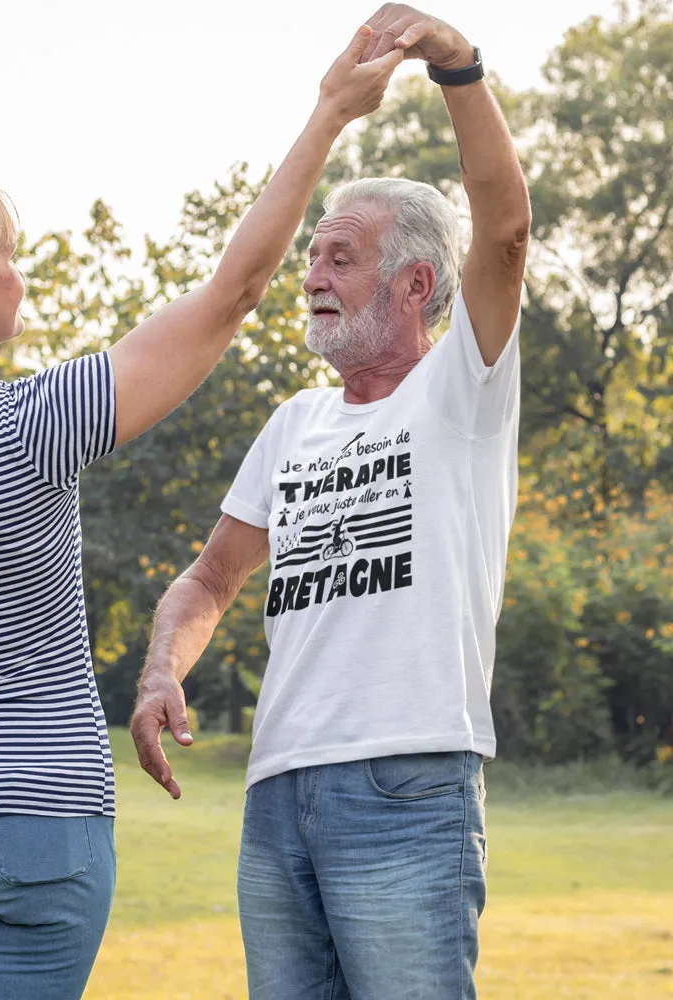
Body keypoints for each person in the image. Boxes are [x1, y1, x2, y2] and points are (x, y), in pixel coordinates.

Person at [0, 25, 405, 1000]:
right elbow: (233, 292)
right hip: (37, 826)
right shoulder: (42, 420)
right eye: (9, 258)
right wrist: (331, 110)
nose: (19, 276)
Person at [130, 5, 532, 999]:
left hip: (407, 785)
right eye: (310, 256)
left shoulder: (462, 390)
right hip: (277, 793)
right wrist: (157, 672)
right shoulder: (291, 424)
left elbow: (509, 229)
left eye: (338, 257)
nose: (309, 276)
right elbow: (209, 579)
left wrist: (457, 66)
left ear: (414, 285)